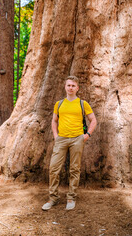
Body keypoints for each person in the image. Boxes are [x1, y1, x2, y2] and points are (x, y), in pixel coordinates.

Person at [42, 76, 97, 211]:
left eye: (73, 85)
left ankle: (71, 197)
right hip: (61, 139)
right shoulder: (59, 104)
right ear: (65, 87)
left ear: (77, 88)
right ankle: (53, 198)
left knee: (74, 169)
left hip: (77, 139)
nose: (71, 88)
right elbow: (54, 120)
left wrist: (87, 135)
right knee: (54, 168)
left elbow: (93, 120)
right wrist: (56, 135)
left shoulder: (82, 104)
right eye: (69, 85)